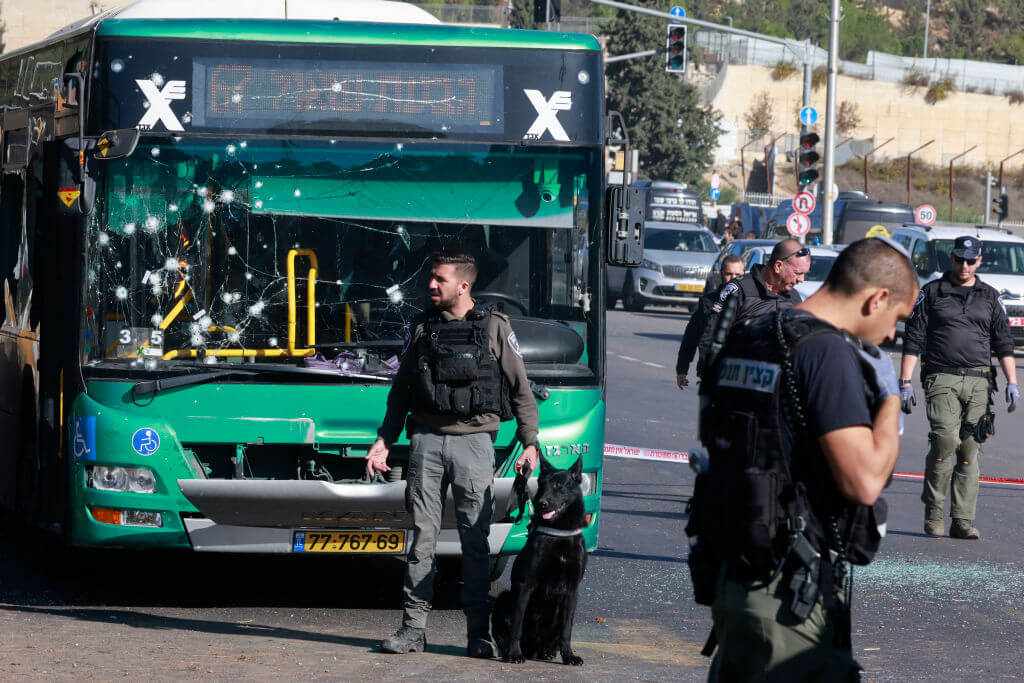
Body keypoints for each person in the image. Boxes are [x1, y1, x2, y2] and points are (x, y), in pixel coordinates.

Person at [691, 238, 918, 680]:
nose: (892, 335)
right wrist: (889, 399)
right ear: (877, 299)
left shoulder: (755, 335)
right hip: (790, 593)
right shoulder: (825, 351)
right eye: (898, 319)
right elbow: (865, 481)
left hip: (737, 577)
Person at [366, 251, 540, 658]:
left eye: (439, 279)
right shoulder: (422, 327)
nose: (431, 285)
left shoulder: (496, 327)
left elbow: (520, 390)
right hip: (425, 441)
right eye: (431, 278)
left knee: (475, 543)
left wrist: (530, 442)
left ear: (463, 285)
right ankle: (413, 630)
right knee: (420, 539)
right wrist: (384, 440)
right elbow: (402, 392)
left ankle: (478, 635)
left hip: (475, 444)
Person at [898, 235, 1018, 540]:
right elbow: (913, 339)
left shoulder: (990, 297)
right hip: (941, 377)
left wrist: (1012, 383)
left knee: (969, 449)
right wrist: (905, 383)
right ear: (951, 259)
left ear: (978, 261)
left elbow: (1003, 342)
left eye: (970, 260)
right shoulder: (932, 292)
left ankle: (962, 520)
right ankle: (934, 512)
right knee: (944, 440)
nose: (964, 265)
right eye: (959, 259)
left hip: (979, 381)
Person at [697, 239, 810, 377]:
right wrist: (708, 379)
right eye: (798, 273)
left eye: (805, 274)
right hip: (736, 379)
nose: (802, 280)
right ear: (778, 266)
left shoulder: (794, 297)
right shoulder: (738, 289)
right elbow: (710, 335)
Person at [676, 254, 745, 389]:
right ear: (721, 274)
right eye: (729, 274)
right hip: (711, 370)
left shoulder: (752, 302)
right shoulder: (707, 303)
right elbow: (691, 337)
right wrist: (682, 369)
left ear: (744, 274)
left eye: (738, 274)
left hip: (740, 373)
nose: (733, 279)